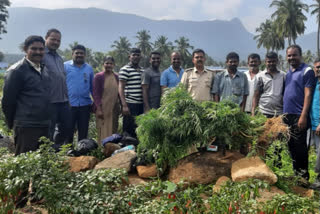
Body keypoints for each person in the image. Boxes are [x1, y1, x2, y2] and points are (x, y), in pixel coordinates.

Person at [2, 35, 51, 207]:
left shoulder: (43, 69)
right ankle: (19, 203)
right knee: (23, 164)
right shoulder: (16, 71)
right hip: (26, 125)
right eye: (34, 49)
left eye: (41, 49)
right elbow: (7, 102)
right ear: (25, 49)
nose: (38, 52)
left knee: (40, 163)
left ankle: (36, 197)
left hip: (44, 123)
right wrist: (13, 124)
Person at [283, 44, 316, 180]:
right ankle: (296, 175)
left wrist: (303, 116)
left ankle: (303, 178)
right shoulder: (289, 72)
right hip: (287, 115)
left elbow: (308, 95)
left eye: (294, 55)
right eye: (289, 55)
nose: (291, 58)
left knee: (300, 148)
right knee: (291, 148)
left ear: (300, 55)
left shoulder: (307, 71)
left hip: (299, 115)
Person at [43, 29, 71, 146]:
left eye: (58, 40)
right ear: (46, 38)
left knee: (65, 128)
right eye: (53, 39)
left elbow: (62, 78)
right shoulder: (41, 55)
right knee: (48, 130)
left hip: (63, 101)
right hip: (50, 101)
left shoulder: (59, 58)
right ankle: (48, 155)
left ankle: (58, 151)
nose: (55, 42)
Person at [64, 45, 94, 143]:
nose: (79, 55)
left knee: (83, 132)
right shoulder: (65, 66)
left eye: (82, 53)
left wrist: (96, 102)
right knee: (68, 132)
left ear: (85, 55)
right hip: (69, 105)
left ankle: (81, 154)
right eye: (77, 53)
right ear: (72, 54)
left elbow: (92, 87)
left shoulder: (89, 68)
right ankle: (68, 155)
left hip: (85, 105)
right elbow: (60, 84)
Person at [93, 56, 120, 144]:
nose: (109, 65)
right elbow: (96, 94)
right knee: (102, 130)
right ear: (103, 64)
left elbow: (119, 92)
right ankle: (102, 150)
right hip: (102, 109)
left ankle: (112, 150)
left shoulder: (116, 76)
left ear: (114, 65)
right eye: (107, 63)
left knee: (113, 128)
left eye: (111, 63)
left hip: (114, 108)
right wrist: (99, 109)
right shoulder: (99, 76)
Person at [118, 48, 144, 138]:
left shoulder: (143, 70)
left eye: (138, 55)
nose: (136, 57)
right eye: (134, 55)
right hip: (130, 104)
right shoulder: (125, 69)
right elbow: (121, 87)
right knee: (128, 131)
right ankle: (128, 151)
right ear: (129, 57)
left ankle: (138, 151)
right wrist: (124, 105)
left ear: (141, 57)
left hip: (141, 105)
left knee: (139, 130)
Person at [252, 52, 286, 117]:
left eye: (273, 61)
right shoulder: (260, 76)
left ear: (277, 61)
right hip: (263, 112)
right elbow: (256, 95)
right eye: (269, 62)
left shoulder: (283, 75)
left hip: (279, 113)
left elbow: (285, 94)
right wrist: (253, 112)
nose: (271, 63)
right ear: (265, 62)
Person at [309, 58, 320, 189]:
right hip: (311, 124)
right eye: (317, 67)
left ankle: (318, 180)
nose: (319, 69)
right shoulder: (314, 83)